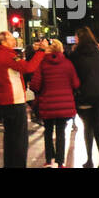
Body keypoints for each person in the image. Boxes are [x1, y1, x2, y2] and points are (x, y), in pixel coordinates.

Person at [0, 30, 47, 167]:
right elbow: (28, 67)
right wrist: (42, 51)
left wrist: (33, 50)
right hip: (15, 100)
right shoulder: (7, 56)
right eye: (10, 39)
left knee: (10, 139)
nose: (14, 41)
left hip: (3, 101)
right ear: (3, 41)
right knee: (20, 140)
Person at [34, 39, 79, 167]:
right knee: (61, 133)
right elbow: (76, 83)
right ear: (61, 49)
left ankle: (49, 159)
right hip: (64, 105)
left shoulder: (42, 64)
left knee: (47, 131)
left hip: (47, 104)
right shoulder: (68, 64)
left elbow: (35, 85)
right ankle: (60, 162)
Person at [70, 28, 99, 167]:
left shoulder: (75, 56)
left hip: (84, 97)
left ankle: (89, 159)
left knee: (88, 127)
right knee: (98, 127)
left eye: (76, 37)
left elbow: (73, 78)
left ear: (80, 39)